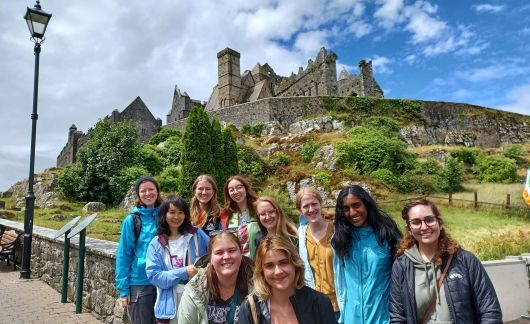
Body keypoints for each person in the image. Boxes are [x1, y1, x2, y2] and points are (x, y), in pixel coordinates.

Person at [390, 199, 502, 323]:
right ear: (409, 229)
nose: (424, 227)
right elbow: (398, 316)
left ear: (440, 222)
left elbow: (490, 311)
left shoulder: (465, 260)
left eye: (429, 220)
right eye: (416, 222)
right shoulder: (401, 266)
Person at [332, 185, 401, 324]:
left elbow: (402, 276)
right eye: (346, 208)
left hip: (383, 319)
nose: (352, 212)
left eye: (356, 205)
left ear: (367, 204)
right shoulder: (341, 238)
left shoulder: (387, 234)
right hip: (351, 319)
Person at [238, 235, 336, 324]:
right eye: (269, 266)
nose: (278, 271)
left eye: (284, 262)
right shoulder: (250, 309)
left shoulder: (319, 303)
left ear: (295, 264)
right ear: (261, 271)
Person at [146, 196, 210, 323]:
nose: (176, 217)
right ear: (164, 214)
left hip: (197, 296)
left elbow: (213, 254)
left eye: (181, 212)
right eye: (172, 212)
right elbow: (154, 276)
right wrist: (184, 271)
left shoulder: (197, 235)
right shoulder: (157, 243)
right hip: (169, 302)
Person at [177, 231, 254, 324]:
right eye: (219, 253)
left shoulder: (258, 285)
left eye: (232, 250)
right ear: (210, 258)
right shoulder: (194, 289)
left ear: (241, 252)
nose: (226, 256)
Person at [116, 176, 163, 324]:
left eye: (151, 189)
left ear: (157, 191)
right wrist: (123, 290)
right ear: (138, 194)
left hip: (164, 281)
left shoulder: (165, 215)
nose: (148, 193)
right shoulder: (132, 220)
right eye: (143, 191)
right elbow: (124, 255)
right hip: (140, 282)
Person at [295, 187, 339, 315]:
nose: (311, 209)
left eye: (314, 204)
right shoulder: (301, 234)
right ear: (300, 210)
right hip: (315, 306)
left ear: (321, 204)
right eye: (306, 206)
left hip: (339, 304)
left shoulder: (337, 230)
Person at [220, 176, 260, 256]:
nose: (235, 192)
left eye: (239, 187)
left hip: (259, 258)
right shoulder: (227, 214)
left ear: (246, 188)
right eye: (231, 190)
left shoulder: (258, 208)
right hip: (238, 261)